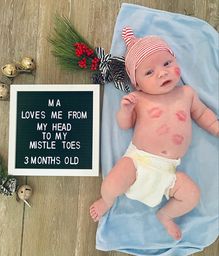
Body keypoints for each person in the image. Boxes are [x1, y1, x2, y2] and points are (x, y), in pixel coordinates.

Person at [90, 27, 219, 240]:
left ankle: (166, 215)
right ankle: (107, 201)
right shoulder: (139, 99)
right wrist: (126, 110)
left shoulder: (186, 93)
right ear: (137, 83)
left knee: (192, 196)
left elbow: (203, 113)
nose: (162, 72)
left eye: (167, 63)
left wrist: (215, 127)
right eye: (149, 72)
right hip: (138, 160)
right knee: (112, 184)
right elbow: (124, 125)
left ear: (175, 62)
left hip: (168, 170)